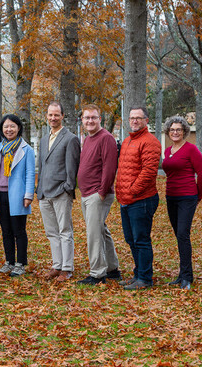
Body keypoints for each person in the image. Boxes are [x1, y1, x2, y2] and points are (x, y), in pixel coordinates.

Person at [115, 107, 162, 290]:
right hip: (126, 199)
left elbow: (149, 172)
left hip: (141, 199)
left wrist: (132, 190)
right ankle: (137, 274)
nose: (134, 121)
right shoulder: (128, 141)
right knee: (131, 239)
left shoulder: (150, 142)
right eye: (132, 118)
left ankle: (145, 278)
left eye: (138, 118)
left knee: (141, 239)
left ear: (146, 120)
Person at [75, 104, 121, 285]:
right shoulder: (87, 139)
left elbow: (110, 168)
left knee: (93, 233)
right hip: (87, 193)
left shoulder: (106, 138)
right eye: (86, 118)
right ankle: (112, 268)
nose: (90, 121)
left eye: (93, 117)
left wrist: (102, 192)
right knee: (101, 230)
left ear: (99, 119)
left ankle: (97, 273)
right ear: (82, 120)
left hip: (98, 194)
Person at [0, 114, 35, 277]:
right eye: (6, 127)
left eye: (12, 126)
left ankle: (20, 263)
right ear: (2, 129)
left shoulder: (26, 149)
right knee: (5, 230)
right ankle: (9, 261)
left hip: (18, 195)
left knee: (19, 230)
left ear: (19, 128)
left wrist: (28, 195)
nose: (9, 129)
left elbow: (30, 173)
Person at [36, 102, 81, 282]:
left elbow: (72, 168)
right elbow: (42, 165)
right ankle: (57, 265)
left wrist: (67, 188)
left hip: (61, 192)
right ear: (46, 116)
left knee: (64, 230)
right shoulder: (44, 139)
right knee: (51, 232)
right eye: (50, 115)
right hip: (44, 193)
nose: (53, 118)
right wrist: (39, 189)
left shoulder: (70, 138)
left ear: (62, 116)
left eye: (56, 115)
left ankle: (67, 268)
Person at [162, 115, 202, 290]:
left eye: (178, 130)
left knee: (183, 234)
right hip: (171, 196)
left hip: (188, 196)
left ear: (184, 131)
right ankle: (181, 274)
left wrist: (198, 196)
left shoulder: (191, 149)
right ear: (168, 131)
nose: (175, 132)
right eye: (172, 129)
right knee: (179, 235)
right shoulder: (167, 151)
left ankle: (187, 277)